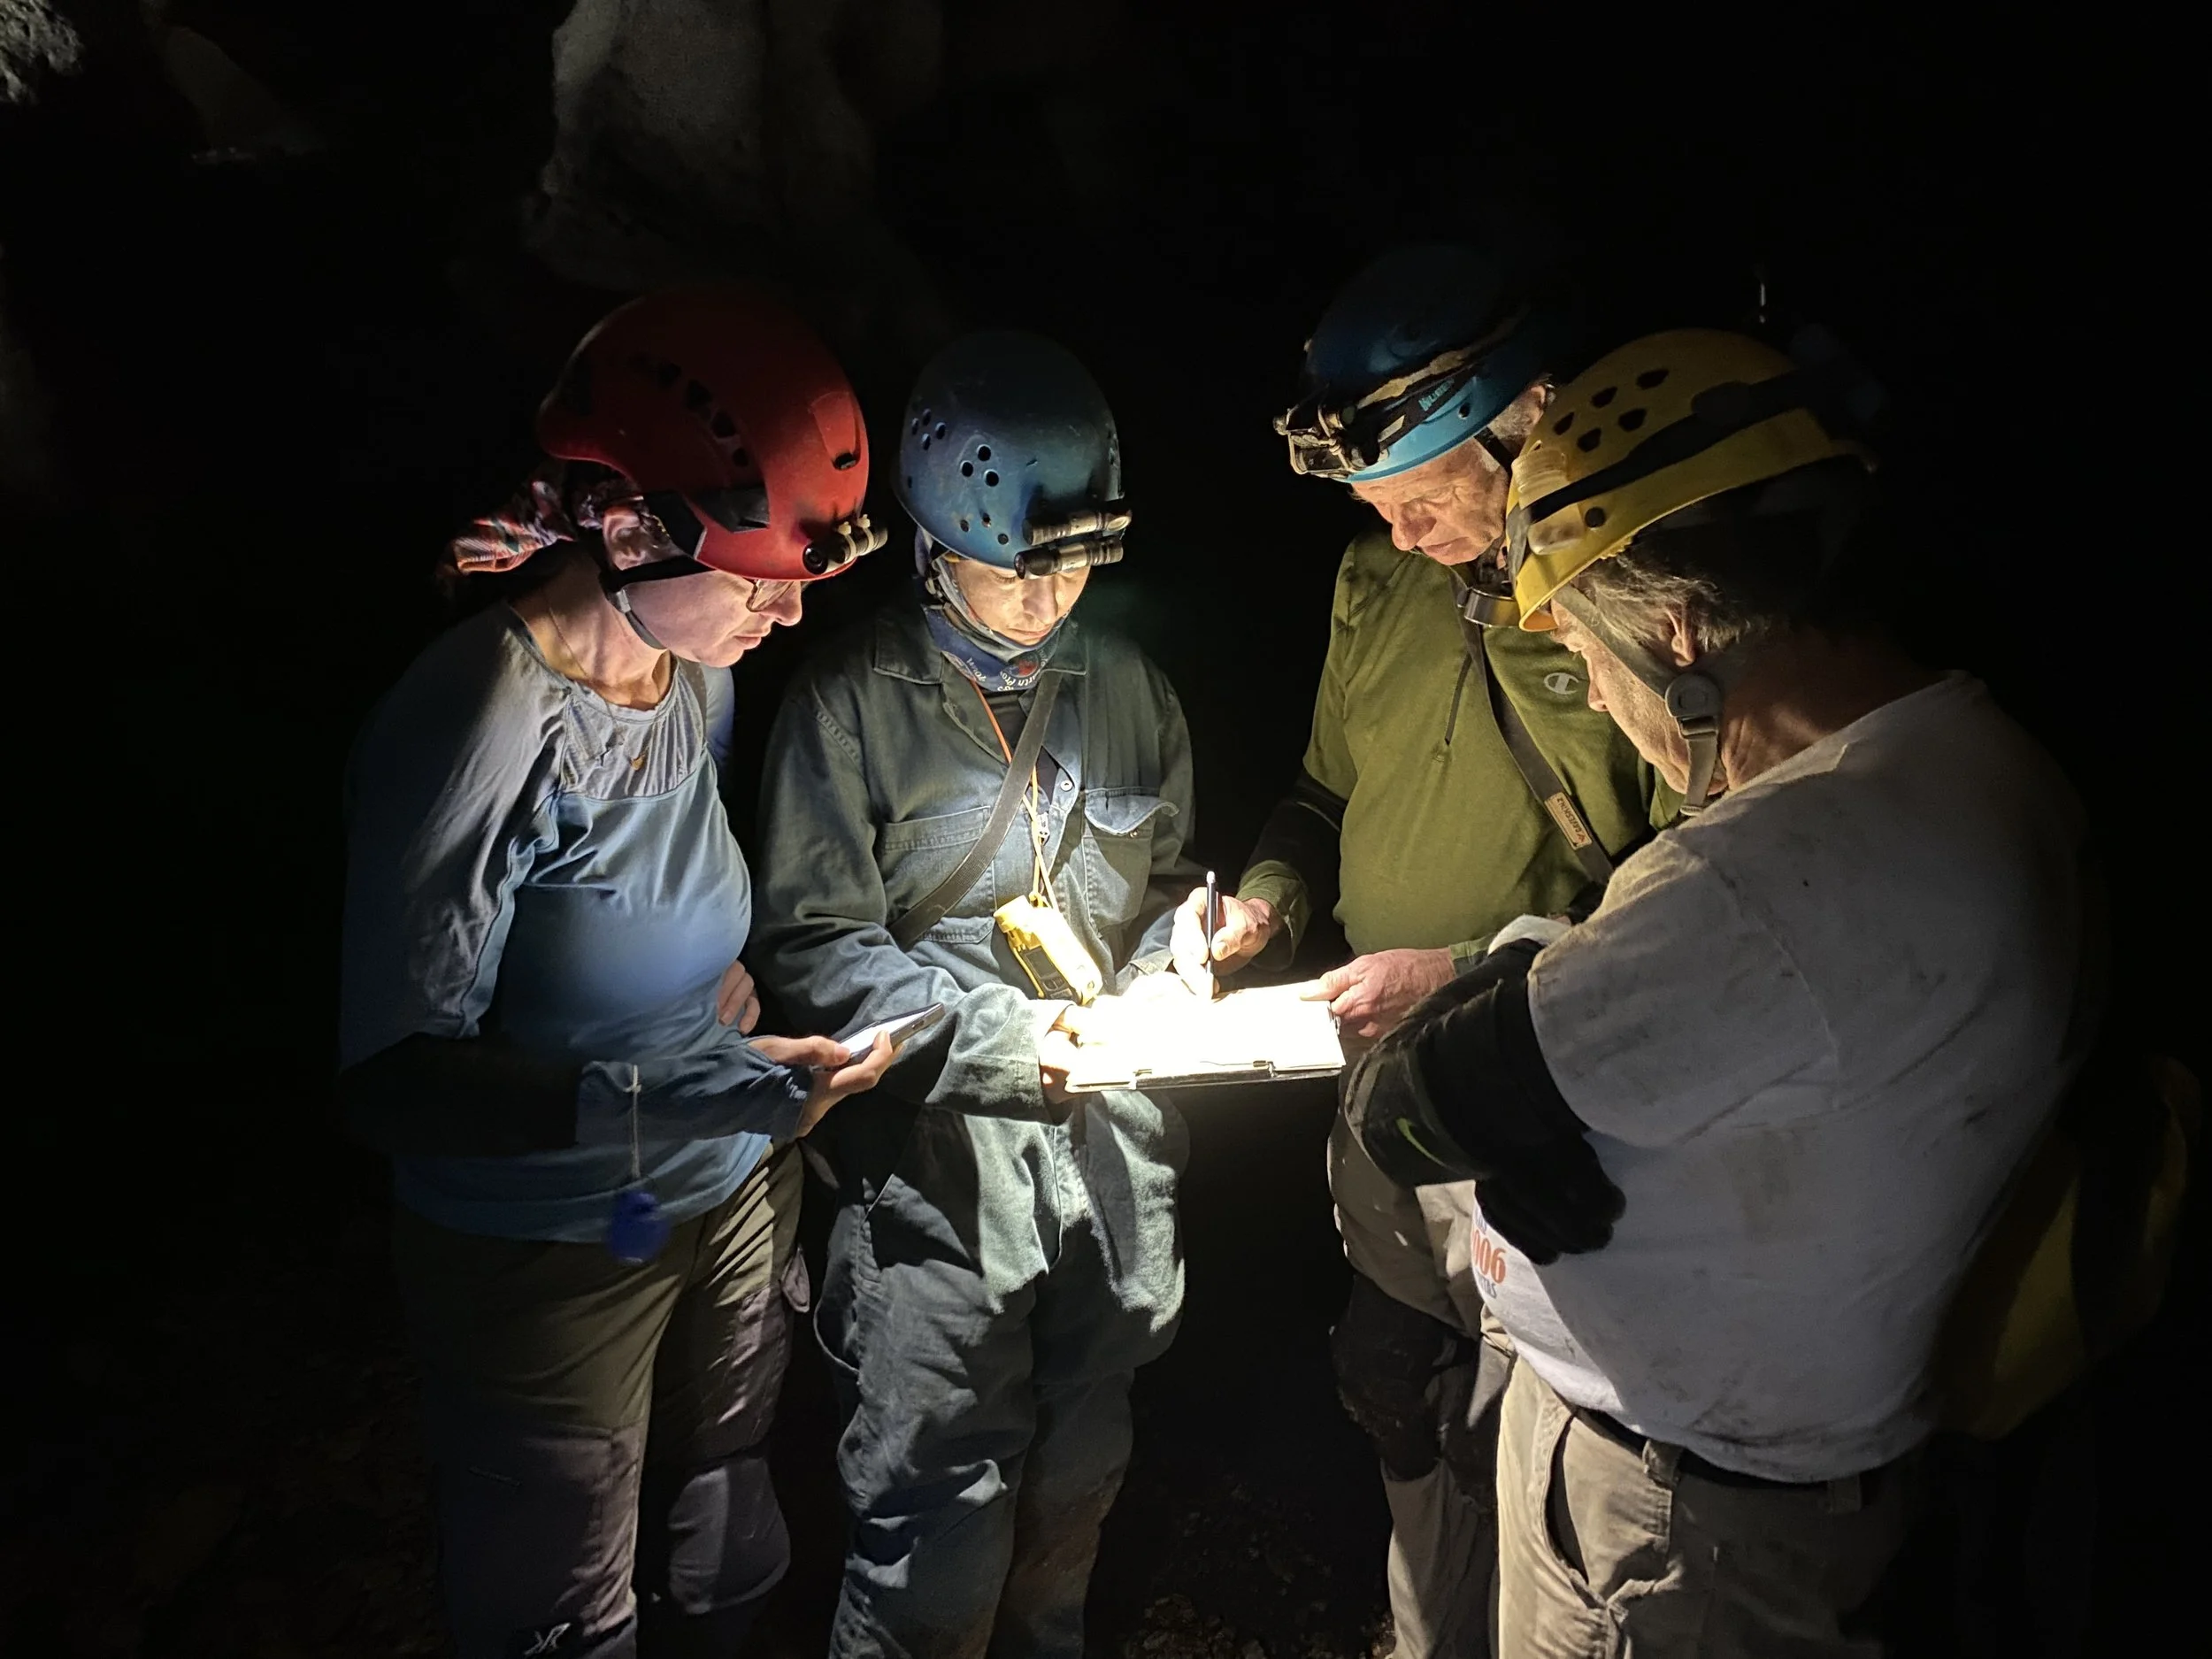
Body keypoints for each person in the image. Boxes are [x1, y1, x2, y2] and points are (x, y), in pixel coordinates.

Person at [1340, 326, 2091, 1655]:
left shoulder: (1768, 876)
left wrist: (1504, 1072)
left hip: (1666, 1534)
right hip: (1803, 1490)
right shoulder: (1981, 762)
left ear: (1673, 630)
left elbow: (1411, 1107)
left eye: (1582, 646)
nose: (1598, 690)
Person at [337, 287, 897, 1659]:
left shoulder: (690, 664)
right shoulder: (482, 717)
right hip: (548, 1245)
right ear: (633, 528)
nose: (785, 608)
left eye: (802, 578)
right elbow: (399, 1081)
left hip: (718, 1181)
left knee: (730, 1517)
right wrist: (666, 1094)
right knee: (558, 1599)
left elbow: (655, 890)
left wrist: (729, 1015)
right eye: (762, 573)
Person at [1171, 245, 1671, 1659]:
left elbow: (1685, 898)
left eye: (1418, 499)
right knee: (1397, 1388)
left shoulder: (1630, 601)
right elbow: (1324, 791)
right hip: (1382, 1082)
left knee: (1538, 1429)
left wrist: (1452, 968)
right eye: (1371, 506)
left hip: (1546, 1093)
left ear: (1525, 428)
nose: (1393, 535)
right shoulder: (1373, 584)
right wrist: (1263, 902)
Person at [750, 329, 1203, 1659]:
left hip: (1112, 1171)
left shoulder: (1129, 684)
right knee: (936, 1518)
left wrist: (1197, 936)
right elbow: (817, 944)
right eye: (1020, 568)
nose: (1049, 596)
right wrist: (1012, 1038)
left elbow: (1164, 875)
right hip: (935, 1182)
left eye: (1075, 562)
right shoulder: (846, 708)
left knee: (1077, 1487)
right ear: (935, 541)